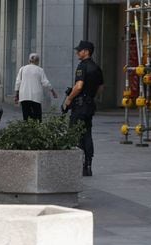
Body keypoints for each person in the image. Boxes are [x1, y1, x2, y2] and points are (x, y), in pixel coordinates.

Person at [63, 40, 103, 177]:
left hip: (80, 106)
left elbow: (79, 86)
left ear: (86, 52)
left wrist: (69, 99)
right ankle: (88, 165)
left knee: (74, 134)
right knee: (87, 134)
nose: (77, 53)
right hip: (90, 105)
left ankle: (77, 165)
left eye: (79, 51)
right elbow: (100, 88)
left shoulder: (82, 66)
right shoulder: (97, 68)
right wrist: (90, 96)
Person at [14, 53, 57, 121]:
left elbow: (18, 82)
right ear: (37, 61)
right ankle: (36, 129)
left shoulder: (22, 69)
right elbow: (45, 82)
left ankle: (26, 129)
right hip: (36, 96)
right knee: (37, 117)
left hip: (24, 95)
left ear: (29, 60)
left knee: (26, 116)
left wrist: (16, 95)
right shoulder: (40, 70)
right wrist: (53, 91)